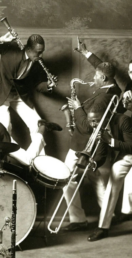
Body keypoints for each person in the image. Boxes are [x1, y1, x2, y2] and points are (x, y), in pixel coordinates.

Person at [63, 60, 122, 232]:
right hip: (97, 145)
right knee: (97, 181)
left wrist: (77, 107)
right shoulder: (115, 90)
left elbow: (86, 126)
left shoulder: (102, 99)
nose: (93, 78)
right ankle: (108, 215)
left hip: (83, 144)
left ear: (103, 77)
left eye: (96, 75)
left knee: (66, 179)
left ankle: (78, 219)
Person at [0, 32, 57, 150]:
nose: (41, 55)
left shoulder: (37, 62)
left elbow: (37, 85)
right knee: (5, 128)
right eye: (38, 52)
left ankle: (37, 160)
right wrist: (1, 39)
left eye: (42, 51)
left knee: (37, 124)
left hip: (19, 95)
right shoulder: (11, 49)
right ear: (29, 49)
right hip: (1, 92)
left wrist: (48, 85)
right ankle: (7, 159)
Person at [83, 100, 132, 241]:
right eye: (90, 121)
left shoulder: (124, 120)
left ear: (107, 115)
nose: (93, 125)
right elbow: (102, 152)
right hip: (126, 156)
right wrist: (95, 163)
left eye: (96, 121)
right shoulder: (98, 127)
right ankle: (103, 228)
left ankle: (127, 212)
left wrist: (110, 141)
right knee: (114, 176)